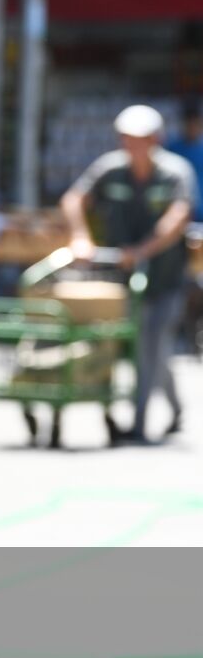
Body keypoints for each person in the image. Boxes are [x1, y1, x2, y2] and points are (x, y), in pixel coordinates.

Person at [62, 104, 197, 443]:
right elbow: (74, 199)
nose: (132, 145)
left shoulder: (174, 172)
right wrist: (80, 237)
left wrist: (142, 251)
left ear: (155, 138)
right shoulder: (110, 169)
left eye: (140, 138)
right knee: (145, 347)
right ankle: (174, 408)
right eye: (127, 138)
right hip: (120, 280)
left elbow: (177, 219)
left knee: (152, 343)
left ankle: (138, 423)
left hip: (166, 278)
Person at [165, 100, 203, 222]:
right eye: (188, 122)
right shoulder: (172, 148)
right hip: (179, 215)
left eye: (195, 122)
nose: (191, 126)